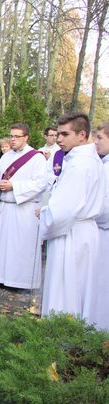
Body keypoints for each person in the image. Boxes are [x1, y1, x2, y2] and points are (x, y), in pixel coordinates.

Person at [39, 112, 104, 321]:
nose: (59, 139)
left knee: (65, 290)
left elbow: (62, 211)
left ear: (82, 135)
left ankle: (61, 339)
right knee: (80, 289)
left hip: (71, 234)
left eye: (65, 134)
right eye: (58, 134)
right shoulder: (91, 161)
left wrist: (44, 213)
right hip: (84, 232)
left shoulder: (79, 164)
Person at [0, 124, 49, 289]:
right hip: (5, 206)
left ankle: (19, 281)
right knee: (3, 244)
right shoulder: (6, 157)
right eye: (11, 136)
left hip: (23, 208)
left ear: (26, 137)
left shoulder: (37, 158)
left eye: (17, 136)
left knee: (20, 246)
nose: (13, 139)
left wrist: (14, 186)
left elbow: (40, 183)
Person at [91, 120, 109, 331]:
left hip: (103, 233)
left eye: (100, 138)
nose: (96, 142)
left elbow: (103, 208)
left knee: (102, 286)